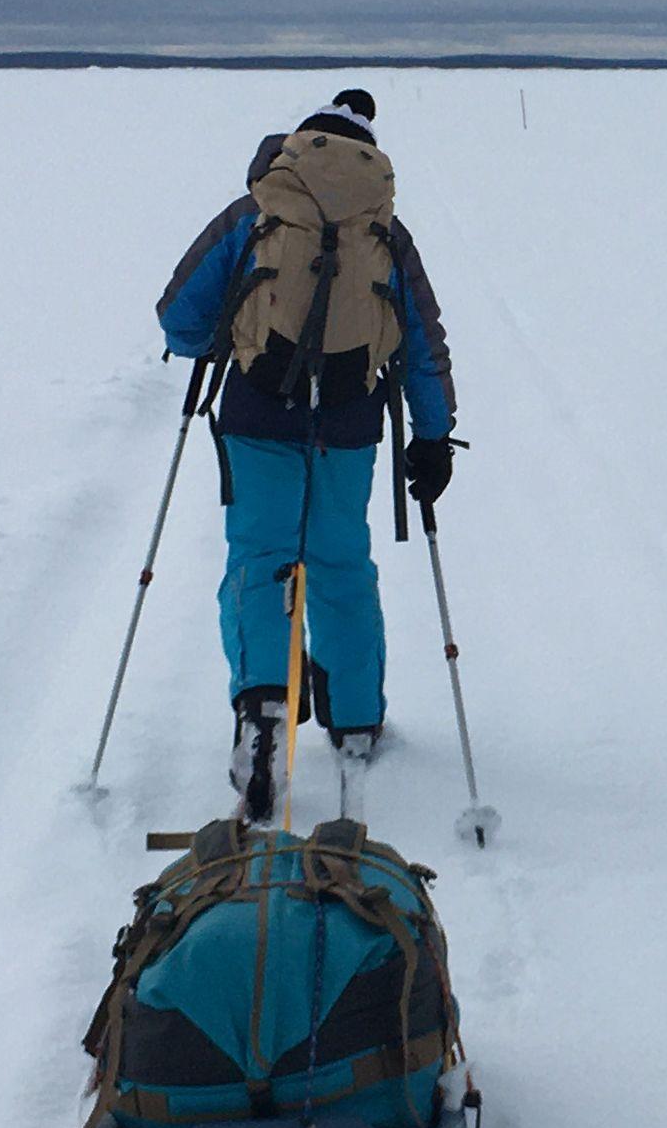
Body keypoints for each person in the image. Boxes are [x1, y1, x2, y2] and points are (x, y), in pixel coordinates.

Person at [154, 88, 460, 822]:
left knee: (261, 558)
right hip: (348, 422)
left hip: (257, 414)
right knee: (340, 562)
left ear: (294, 146)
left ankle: (263, 709)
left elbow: (179, 319)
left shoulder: (254, 211)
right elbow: (422, 341)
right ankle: (355, 721)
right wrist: (432, 435)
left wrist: (228, 338)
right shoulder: (385, 229)